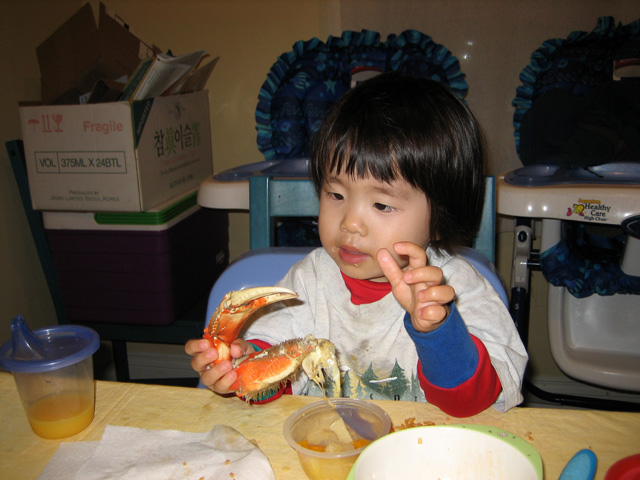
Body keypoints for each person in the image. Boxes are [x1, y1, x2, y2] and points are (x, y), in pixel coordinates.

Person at [186, 73, 528, 417]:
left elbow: (473, 403)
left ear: (439, 217)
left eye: (381, 205)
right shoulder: (309, 281)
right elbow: (278, 377)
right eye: (335, 194)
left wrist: (438, 331)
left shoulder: (457, 287)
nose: (349, 222)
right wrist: (243, 367)